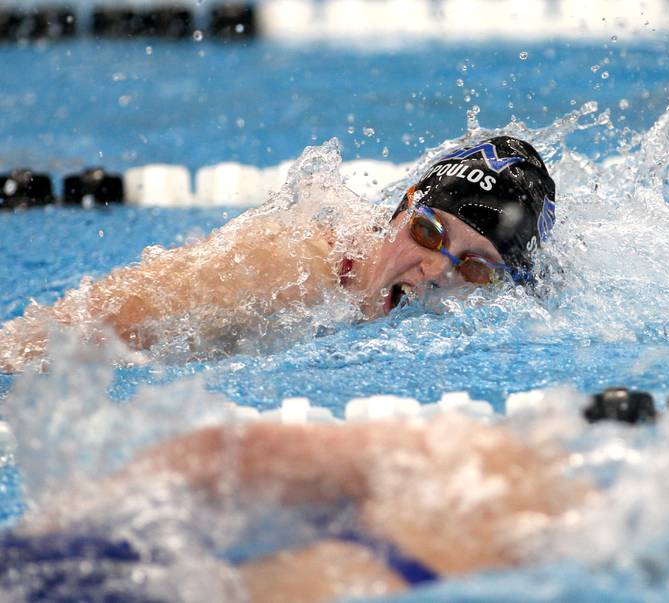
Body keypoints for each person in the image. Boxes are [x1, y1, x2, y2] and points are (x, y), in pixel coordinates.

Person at [0, 135, 556, 371]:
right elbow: (63, 335)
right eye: (430, 234)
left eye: (477, 267)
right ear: (402, 208)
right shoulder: (285, 266)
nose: (436, 269)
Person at [2, 414, 589, 603]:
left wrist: (66, 517)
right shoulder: (498, 478)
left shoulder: (486, 466)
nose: (437, 271)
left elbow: (226, 453)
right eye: (431, 234)